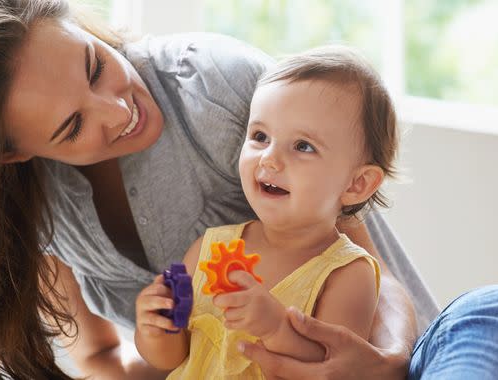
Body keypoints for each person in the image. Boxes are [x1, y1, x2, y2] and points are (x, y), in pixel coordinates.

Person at [0, 1, 498, 379]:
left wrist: (387, 358)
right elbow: (104, 357)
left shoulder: (215, 86)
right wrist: (161, 337)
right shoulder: (38, 211)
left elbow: (369, 266)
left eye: (94, 67)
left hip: (391, 357)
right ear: (13, 153)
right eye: (73, 125)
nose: (118, 109)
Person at [134, 46, 394, 379]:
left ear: (357, 184)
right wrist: (156, 328)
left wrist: (277, 330)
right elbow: (171, 358)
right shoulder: (209, 248)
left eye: (303, 146)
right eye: (260, 136)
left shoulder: (348, 274)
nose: (269, 158)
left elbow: (335, 369)